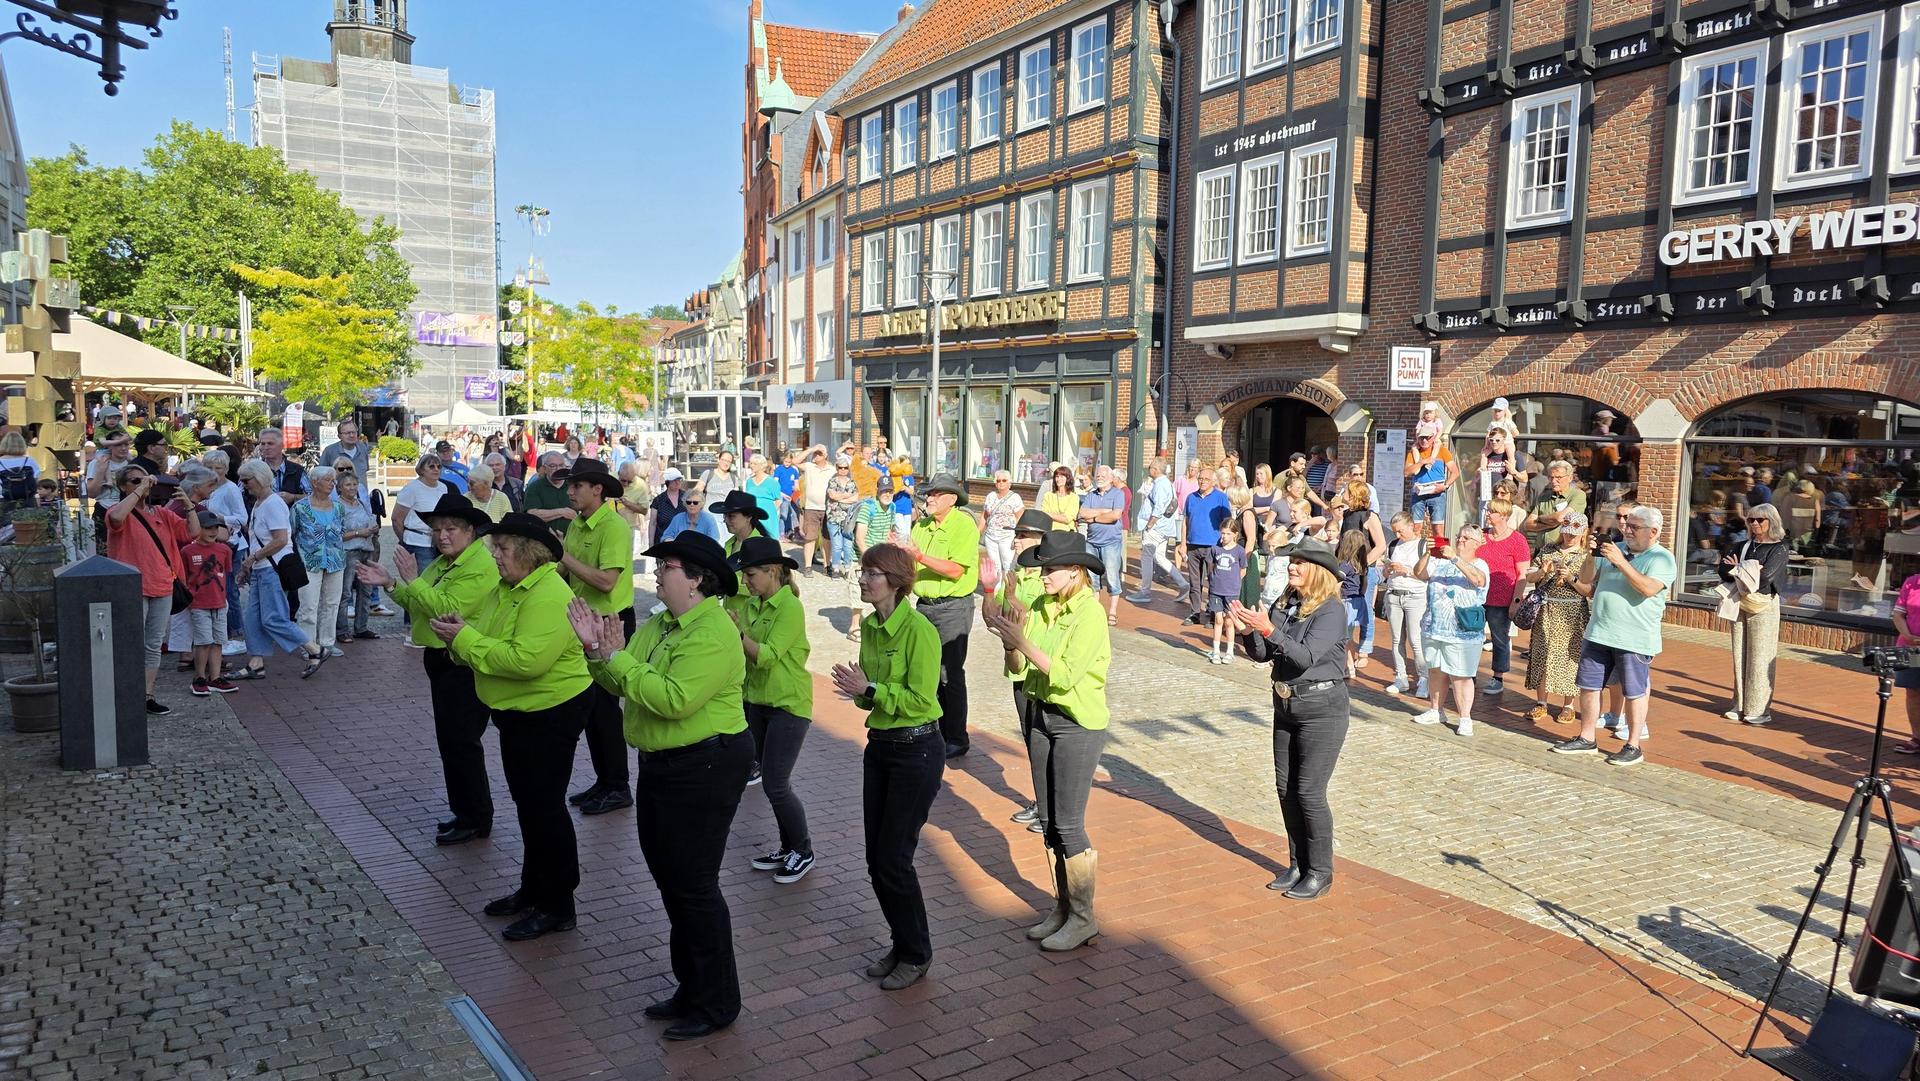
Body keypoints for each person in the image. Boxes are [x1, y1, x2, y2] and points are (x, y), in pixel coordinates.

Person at [571, 532, 753, 1039]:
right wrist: (596, 651)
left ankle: (717, 1002)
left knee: (693, 884)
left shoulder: (713, 632)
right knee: (671, 879)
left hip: (706, 765)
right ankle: (691, 986)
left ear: (696, 579)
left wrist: (618, 658)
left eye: (667, 565)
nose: (656, 572)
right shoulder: (662, 623)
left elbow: (673, 699)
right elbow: (619, 681)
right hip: (664, 764)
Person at [438, 513, 592, 940]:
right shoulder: (508, 589)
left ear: (528, 553)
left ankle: (558, 905)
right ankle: (533, 889)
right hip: (520, 713)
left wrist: (465, 641)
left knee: (544, 808)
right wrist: (461, 638)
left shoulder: (548, 594)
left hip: (549, 712)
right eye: (495, 548)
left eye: (502, 549)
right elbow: (484, 636)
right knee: (530, 805)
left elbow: (526, 661)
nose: (496, 557)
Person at [982, 531, 1112, 951]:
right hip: (1040, 717)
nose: (1042, 576)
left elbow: (1064, 674)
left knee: (1070, 825)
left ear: (1075, 572)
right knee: (1051, 824)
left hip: (1077, 724)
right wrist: (1009, 643)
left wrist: (1021, 640)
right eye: (1041, 569)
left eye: (1050, 569)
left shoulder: (1089, 614)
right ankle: (1062, 907)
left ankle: (1083, 917)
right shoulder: (1039, 605)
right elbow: (1019, 668)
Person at [829, 543, 945, 990]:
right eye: (863, 572)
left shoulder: (919, 631)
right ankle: (902, 942)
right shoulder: (874, 628)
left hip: (916, 751)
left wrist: (871, 688)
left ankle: (917, 954)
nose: (863, 579)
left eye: (872, 573)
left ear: (896, 582)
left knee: (895, 858)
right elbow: (870, 696)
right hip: (881, 747)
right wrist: (859, 690)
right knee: (877, 859)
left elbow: (921, 700)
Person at [1228, 537, 1350, 901]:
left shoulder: (1331, 611)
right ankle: (1297, 863)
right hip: (1285, 705)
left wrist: (1268, 629)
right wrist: (1250, 632)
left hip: (1322, 710)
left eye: (1299, 562)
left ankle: (1320, 871)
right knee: (1285, 789)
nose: (1292, 566)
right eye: (1292, 561)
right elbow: (1266, 654)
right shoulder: (1287, 601)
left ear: (1318, 571)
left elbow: (1304, 657)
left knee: (1309, 793)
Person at [1552, 505, 1676, 765]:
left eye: (1634, 527)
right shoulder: (1613, 548)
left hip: (1634, 637)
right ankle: (1587, 738)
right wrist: (1590, 555)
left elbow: (1648, 589)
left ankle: (1633, 745)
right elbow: (1587, 585)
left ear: (1653, 532)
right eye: (1626, 525)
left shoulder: (1662, 558)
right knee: (1589, 685)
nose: (1626, 530)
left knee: (1634, 691)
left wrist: (1620, 562)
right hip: (1599, 631)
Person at [554, 458, 637, 818]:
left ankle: (618, 785)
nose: (570, 491)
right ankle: (606, 781)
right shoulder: (579, 524)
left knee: (604, 710)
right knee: (592, 710)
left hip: (609, 623)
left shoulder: (614, 527)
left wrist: (564, 558)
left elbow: (606, 581)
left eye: (576, 485)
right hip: (587, 621)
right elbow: (563, 570)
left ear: (597, 489)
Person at [732, 536, 816, 884]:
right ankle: (788, 846)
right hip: (758, 703)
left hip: (788, 705)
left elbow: (765, 657)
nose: (746, 582)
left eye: (751, 575)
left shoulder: (789, 608)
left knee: (776, 784)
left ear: (772, 572)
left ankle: (804, 850)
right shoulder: (753, 605)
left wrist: (736, 634)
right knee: (771, 781)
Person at [903, 475, 981, 759]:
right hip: (924, 604)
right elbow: (910, 563)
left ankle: (957, 737)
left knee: (949, 673)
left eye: (936, 494)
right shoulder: (921, 526)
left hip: (952, 607)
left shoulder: (963, 525)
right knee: (926, 671)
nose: (929, 499)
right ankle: (933, 729)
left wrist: (919, 557)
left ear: (952, 499)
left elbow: (956, 570)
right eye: (928, 494)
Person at [105, 464, 192, 714]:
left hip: (162, 585)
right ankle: (125, 694)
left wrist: (188, 505)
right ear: (123, 487)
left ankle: (146, 695)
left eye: (145, 480)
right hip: (132, 587)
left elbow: (191, 532)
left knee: (153, 644)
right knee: (131, 641)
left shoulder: (161, 514)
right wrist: (140, 489)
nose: (143, 484)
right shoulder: (117, 509)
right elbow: (117, 518)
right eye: (134, 480)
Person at [235, 459, 330, 681]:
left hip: (271, 569)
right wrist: (251, 563)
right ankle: (256, 664)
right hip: (262, 568)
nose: (243, 484)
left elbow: (280, 540)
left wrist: (252, 558)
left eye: (246, 480)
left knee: (273, 618)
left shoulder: (272, 503)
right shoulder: (260, 502)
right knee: (253, 619)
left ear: (258, 479)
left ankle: (314, 649)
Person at [1412, 526, 1489, 735]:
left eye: (1466, 538)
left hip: (1462, 632)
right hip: (1434, 627)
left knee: (1461, 675)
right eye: (1459, 536)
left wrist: (1455, 558)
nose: (1460, 540)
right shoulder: (1438, 562)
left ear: (1477, 543)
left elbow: (1478, 580)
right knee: (1435, 670)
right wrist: (1427, 553)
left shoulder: (1479, 564)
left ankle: (1465, 718)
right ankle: (1436, 710)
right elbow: (1419, 574)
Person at [1722, 502, 1788, 726]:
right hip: (1740, 600)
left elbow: (1765, 578)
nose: (1755, 523)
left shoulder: (1779, 548)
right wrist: (1747, 569)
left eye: (1760, 519)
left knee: (1760, 656)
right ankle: (1739, 704)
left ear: (1772, 521)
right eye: (1751, 520)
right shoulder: (1742, 545)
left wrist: (1738, 568)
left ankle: (1758, 709)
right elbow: (1723, 569)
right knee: (1739, 654)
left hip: (1764, 604)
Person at [1523, 510, 1591, 726]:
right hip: (1547, 609)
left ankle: (1568, 705)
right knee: (1542, 653)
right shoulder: (1548, 550)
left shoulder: (1585, 556)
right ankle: (1541, 702)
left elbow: (1587, 590)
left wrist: (1570, 578)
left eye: (1574, 532)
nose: (1570, 536)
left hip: (1572, 613)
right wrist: (1542, 572)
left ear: (1583, 532)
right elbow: (1530, 577)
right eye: (1567, 531)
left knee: (1570, 658)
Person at [1477, 497, 1532, 697]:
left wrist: (1516, 601)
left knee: (1499, 637)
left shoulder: (1517, 540)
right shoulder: (1481, 536)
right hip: (1479, 595)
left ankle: (1498, 677)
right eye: (1488, 511)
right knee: (1472, 635)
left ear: (1504, 516)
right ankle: (1467, 673)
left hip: (1502, 598)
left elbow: (1522, 574)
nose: (1488, 515)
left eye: (1492, 512)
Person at [291, 469, 348, 657]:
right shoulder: (300, 507)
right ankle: (308, 646)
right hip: (309, 561)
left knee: (332, 603)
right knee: (308, 605)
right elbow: (291, 533)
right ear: (315, 483)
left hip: (335, 560)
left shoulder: (339, 507)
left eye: (333, 480)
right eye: (327, 480)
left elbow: (343, 531)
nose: (332, 483)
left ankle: (327, 643)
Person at [1332, 479, 1387, 667]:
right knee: (1346, 609)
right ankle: (1346, 650)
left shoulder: (1370, 516)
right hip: (1346, 570)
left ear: (1354, 495)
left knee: (1365, 610)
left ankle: (1364, 650)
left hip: (1365, 571)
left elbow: (1380, 545)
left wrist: (1361, 565)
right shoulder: (1346, 514)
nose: (1343, 493)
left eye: (1346, 491)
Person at [181, 510, 236, 697]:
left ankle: (215, 677)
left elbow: (226, 573)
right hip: (198, 603)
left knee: (218, 641)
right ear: (198, 529)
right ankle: (199, 677)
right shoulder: (187, 551)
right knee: (203, 641)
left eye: (215, 528)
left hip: (220, 602)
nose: (212, 531)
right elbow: (184, 576)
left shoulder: (224, 550)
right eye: (207, 528)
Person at [333, 460, 381, 644]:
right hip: (349, 552)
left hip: (366, 551)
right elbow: (337, 534)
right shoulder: (337, 506)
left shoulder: (360, 502)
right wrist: (359, 533)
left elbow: (368, 521)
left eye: (354, 484)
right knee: (345, 593)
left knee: (366, 590)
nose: (352, 487)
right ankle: (342, 630)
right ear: (339, 488)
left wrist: (373, 528)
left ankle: (361, 627)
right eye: (348, 484)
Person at [1381, 513, 1428, 697]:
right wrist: (1388, 568)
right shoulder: (1393, 545)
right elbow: (1385, 573)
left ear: (1411, 526)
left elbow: (1427, 574)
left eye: (1400, 531)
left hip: (1415, 595)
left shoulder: (1422, 545)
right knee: (1396, 639)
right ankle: (1401, 677)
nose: (1398, 536)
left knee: (1416, 640)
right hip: (1394, 594)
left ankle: (1423, 679)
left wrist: (1407, 570)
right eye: (1395, 532)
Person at [1128, 460, 1188, 602]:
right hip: (1164, 528)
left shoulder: (1161, 485)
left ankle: (1145, 591)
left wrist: (1150, 524)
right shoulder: (1166, 483)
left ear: (1155, 469)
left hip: (1156, 528)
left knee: (1147, 557)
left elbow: (1159, 507)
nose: (1149, 470)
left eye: (1150, 467)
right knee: (1159, 557)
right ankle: (1183, 584)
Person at [1179, 467, 1232, 625]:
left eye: (1206, 479)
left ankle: (1211, 612)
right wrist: (1183, 543)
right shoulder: (1191, 497)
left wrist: (1225, 543)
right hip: (1193, 545)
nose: (1202, 482)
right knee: (1194, 582)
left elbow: (1227, 523)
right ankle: (1195, 613)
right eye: (1200, 479)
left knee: (1213, 581)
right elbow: (1185, 522)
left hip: (1212, 545)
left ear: (1213, 481)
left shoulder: (1221, 498)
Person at [394, 454, 455, 572]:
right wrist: (404, 539)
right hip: (418, 542)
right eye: (431, 466)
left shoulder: (443, 487)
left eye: (439, 466)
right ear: (421, 470)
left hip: (439, 542)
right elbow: (397, 519)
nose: (436, 469)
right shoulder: (412, 488)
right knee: (424, 580)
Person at [1403, 424, 1457, 538]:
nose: (1424, 440)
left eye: (1427, 437)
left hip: (1436, 493)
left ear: (1433, 437)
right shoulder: (1413, 453)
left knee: (1438, 529)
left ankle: (1440, 555)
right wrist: (1422, 462)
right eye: (1421, 437)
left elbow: (1455, 472)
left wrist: (1445, 486)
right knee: (1415, 528)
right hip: (1419, 493)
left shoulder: (1442, 451)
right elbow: (1406, 472)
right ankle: (1415, 554)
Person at [1207, 521, 1248, 664]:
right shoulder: (1215, 549)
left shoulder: (1239, 551)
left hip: (1231, 591)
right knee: (1218, 620)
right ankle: (1216, 650)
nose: (1224, 536)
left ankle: (1229, 652)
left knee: (1229, 621)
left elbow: (1243, 569)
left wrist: (1235, 582)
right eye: (1222, 533)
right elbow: (1211, 565)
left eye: (1228, 534)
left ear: (1235, 535)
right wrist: (1212, 581)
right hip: (1216, 590)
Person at [1525, 460, 1587, 552]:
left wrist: (1540, 518)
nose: (1554, 481)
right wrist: (1552, 523)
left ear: (1570, 478)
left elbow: (1560, 518)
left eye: (1558, 477)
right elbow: (1528, 524)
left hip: (1562, 552)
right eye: (1551, 477)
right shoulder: (1544, 496)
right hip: (1540, 550)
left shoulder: (1578, 495)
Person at [796, 445, 834, 573]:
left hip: (827, 507)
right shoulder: (809, 466)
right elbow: (795, 461)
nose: (816, 456)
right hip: (811, 508)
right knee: (810, 537)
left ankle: (827, 565)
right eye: (815, 454)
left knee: (826, 538)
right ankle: (807, 567)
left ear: (825, 455)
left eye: (819, 454)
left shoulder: (832, 469)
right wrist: (811, 449)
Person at [523, 451, 575, 534]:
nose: (558, 469)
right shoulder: (535, 487)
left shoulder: (573, 486)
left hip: (572, 538)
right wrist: (562, 512)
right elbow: (532, 514)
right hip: (544, 539)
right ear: (544, 469)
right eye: (553, 466)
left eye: (561, 465)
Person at [255, 427, 309, 506]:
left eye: (270, 443)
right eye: (263, 444)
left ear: (282, 445)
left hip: (289, 516)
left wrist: (293, 497)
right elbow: (241, 495)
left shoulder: (297, 470)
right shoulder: (254, 470)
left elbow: (312, 497)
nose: (266, 447)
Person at [825, 456, 860, 576]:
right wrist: (847, 495)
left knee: (848, 545)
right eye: (841, 468)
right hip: (834, 518)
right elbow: (832, 495)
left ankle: (847, 568)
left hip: (848, 519)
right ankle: (835, 568)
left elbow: (856, 498)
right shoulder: (832, 481)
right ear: (837, 468)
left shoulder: (852, 482)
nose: (843, 470)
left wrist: (841, 498)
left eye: (845, 468)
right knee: (837, 545)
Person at [649, 467, 688, 545]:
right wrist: (651, 543)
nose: (677, 482)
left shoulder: (687, 498)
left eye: (679, 479)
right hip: (662, 542)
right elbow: (653, 523)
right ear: (667, 482)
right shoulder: (658, 500)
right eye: (674, 480)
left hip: (683, 542)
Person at [1040, 466, 1079, 531]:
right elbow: (1044, 515)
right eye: (1057, 476)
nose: (1058, 479)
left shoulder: (1074, 497)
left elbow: (1067, 519)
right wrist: (1060, 516)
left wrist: (1049, 514)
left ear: (1068, 478)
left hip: (1067, 532)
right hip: (1050, 531)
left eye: (1062, 477)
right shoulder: (1048, 495)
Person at [774, 450, 801, 540]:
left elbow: (797, 485)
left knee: (793, 514)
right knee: (784, 514)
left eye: (789, 462)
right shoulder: (778, 469)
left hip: (792, 496)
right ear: (783, 460)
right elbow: (776, 484)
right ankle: (781, 533)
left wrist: (795, 491)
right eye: (786, 461)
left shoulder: (794, 471)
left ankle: (791, 531)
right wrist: (782, 495)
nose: (787, 464)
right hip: (783, 495)